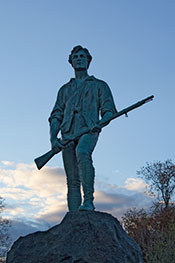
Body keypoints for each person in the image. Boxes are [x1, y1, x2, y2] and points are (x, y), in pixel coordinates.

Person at [49, 45, 117, 211]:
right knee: (72, 179)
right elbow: (56, 115)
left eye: (82, 56)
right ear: (71, 62)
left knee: (83, 152)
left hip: (89, 129)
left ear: (88, 61)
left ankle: (88, 201)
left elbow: (109, 111)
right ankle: (72, 215)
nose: (79, 58)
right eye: (76, 57)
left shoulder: (100, 85)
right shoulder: (65, 90)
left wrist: (101, 122)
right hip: (68, 133)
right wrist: (53, 139)